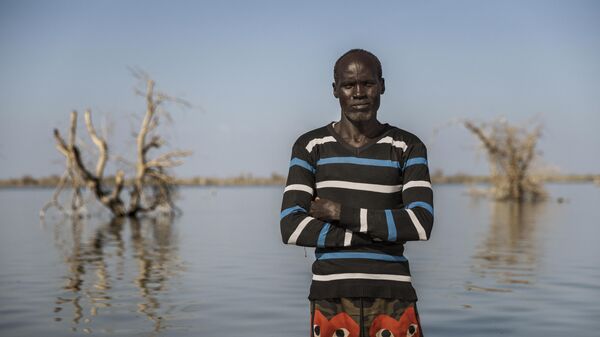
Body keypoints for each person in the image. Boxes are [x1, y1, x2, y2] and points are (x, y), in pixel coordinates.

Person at [280, 49, 433, 337]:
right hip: (331, 298)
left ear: (382, 86)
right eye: (349, 85)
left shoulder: (408, 147)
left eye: (368, 83)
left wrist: (339, 213)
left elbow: (420, 223)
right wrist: (378, 233)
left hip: (394, 297)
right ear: (335, 90)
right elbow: (291, 227)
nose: (359, 93)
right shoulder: (310, 147)